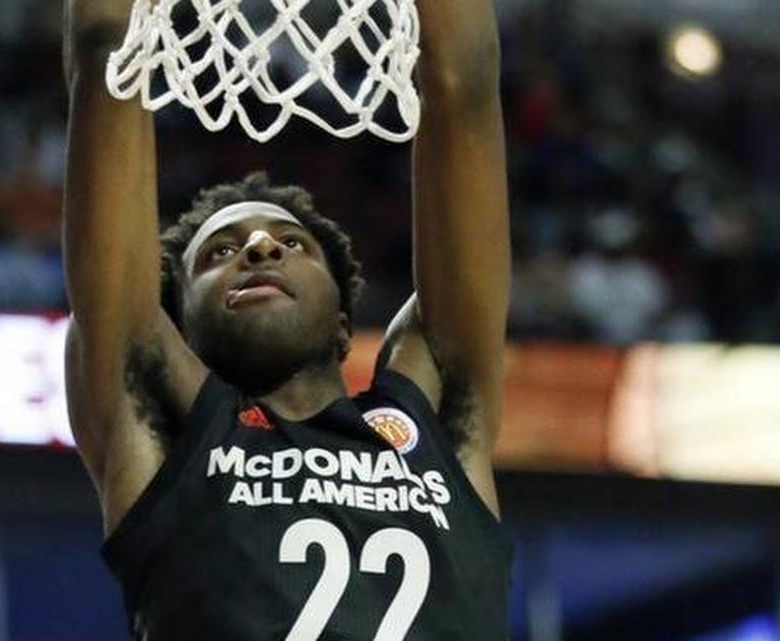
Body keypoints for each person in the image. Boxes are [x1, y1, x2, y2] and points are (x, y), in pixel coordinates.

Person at [62, 0, 513, 638]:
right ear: (182, 326)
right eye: (220, 254)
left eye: (291, 242)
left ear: (340, 317)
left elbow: (464, 77)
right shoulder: (164, 428)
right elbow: (109, 51)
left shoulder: (434, 416)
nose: (259, 249)